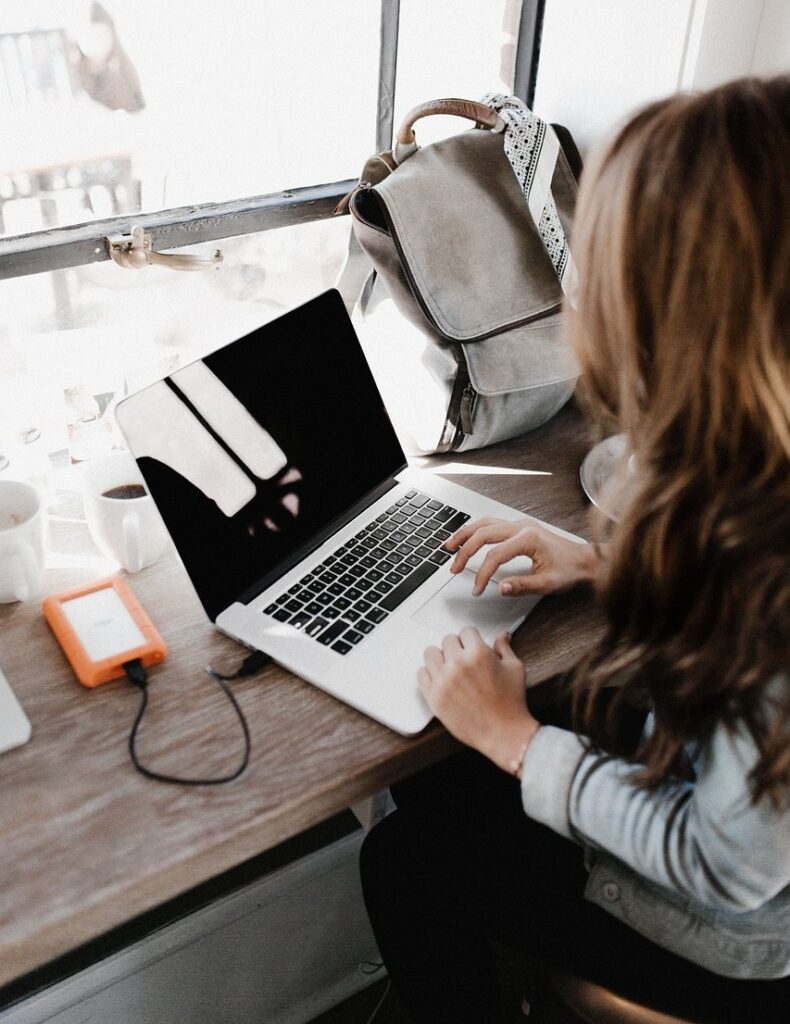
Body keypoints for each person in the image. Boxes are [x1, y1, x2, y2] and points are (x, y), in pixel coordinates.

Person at [360, 75, 790, 1024]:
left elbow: (728, 869)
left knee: (407, 859)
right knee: (446, 782)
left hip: (743, 950)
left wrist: (516, 739)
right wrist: (604, 562)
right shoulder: (755, 484)